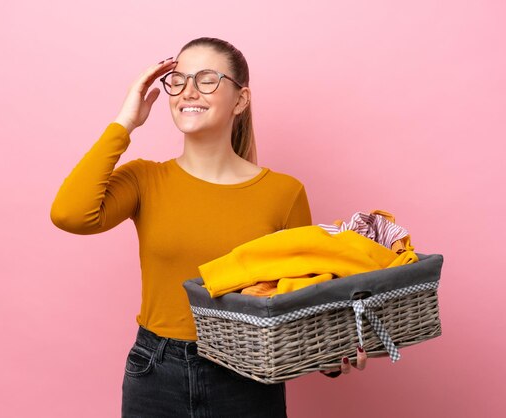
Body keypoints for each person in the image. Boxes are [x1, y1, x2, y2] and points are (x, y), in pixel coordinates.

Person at [50, 37, 367, 418]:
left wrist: (329, 358)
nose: (187, 91)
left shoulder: (283, 192)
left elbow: (297, 298)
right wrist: (125, 122)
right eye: (179, 79)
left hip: (248, 373)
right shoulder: (145, 179)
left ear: (240, 100)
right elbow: (70, 214)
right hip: (156, 372)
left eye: (206, 80)